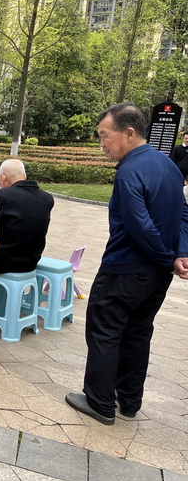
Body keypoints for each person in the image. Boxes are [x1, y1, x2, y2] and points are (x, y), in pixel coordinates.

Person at [65, 102, 188, 425]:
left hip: (125, 269)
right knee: (138, 333)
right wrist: (179, 254)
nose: (102, 143)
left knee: (104, 332)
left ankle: (100, 402)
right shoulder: (169, 166)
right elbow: (184, 213)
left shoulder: (130, 171)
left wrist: (168, 257)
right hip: (156, 275)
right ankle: (129, 401)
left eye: (105, 136)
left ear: (129, 133)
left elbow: (140, 225)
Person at [0, 159, 54, 274]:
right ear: (25, 176)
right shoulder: (47, 198)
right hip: (31, 262)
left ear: (3, 177)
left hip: (2, 263)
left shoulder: (3, 196)